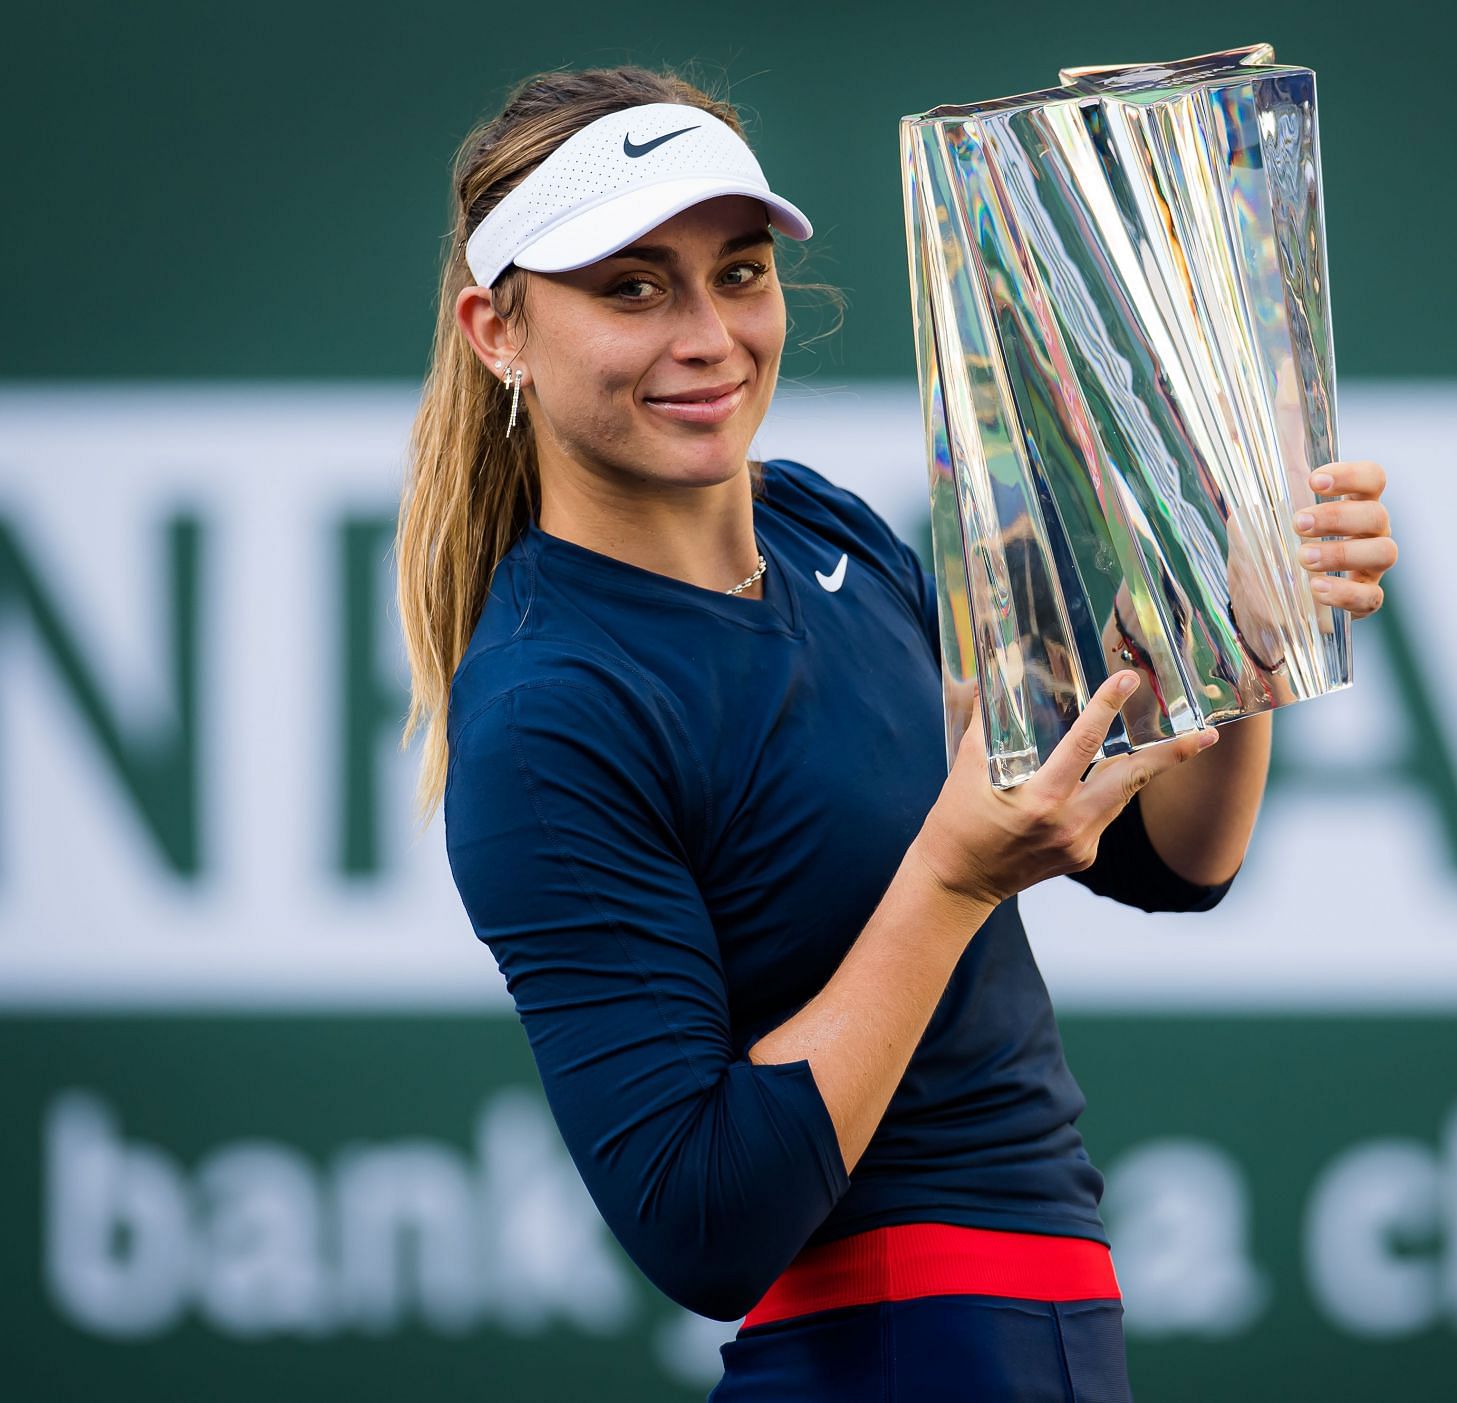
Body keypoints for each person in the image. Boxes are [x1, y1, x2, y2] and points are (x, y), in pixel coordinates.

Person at [396, 64, 1397, 1402]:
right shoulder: (548, 708)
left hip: (1047, 1330)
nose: (707, 334)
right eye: (632, 288)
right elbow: (703, 1224)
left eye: (737, 274)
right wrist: (952, 878)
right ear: (496, 331)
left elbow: (1167, 864)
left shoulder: (822, 526)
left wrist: (1245, 639)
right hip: (883, 1353)